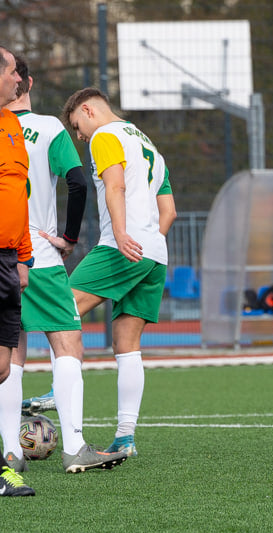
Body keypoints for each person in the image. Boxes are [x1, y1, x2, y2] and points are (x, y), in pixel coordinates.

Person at [1, 56, 127, 474]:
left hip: (3, 252)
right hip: (36, 250)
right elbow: (76, 182)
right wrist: (70, 238)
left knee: (10, 350)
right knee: (68, 341)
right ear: (27, 82)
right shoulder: (51, 128)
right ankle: (74, 446)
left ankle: (11, 453)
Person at [58, 87, 177, 457]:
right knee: (126, 345)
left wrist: (124, 235)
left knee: (60, 309)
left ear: (89, 110)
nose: (79, 136)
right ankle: (125, 437)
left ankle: (55, 390)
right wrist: (148, 242)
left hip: (122, 246)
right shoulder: (149, 145)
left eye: (78, 126)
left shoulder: (105, 136)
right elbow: (169, 211)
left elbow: (115, 185)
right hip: (155, 253)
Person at [0, 45, 35, 496]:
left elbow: (18, 195)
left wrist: (23, 256)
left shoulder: (12, 126)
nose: (19, 79)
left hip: (9, 259)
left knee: (4, 369)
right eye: (12, 72)